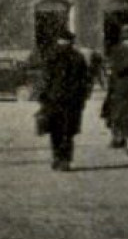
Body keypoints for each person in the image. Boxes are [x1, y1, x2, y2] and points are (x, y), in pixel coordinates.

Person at [35, 29, 93, 171]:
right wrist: (83, 97)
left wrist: (42, 96)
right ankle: (63, 159)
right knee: (66, 132)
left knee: (59, 131)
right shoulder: (76, 57)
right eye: (62, 41)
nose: (63, 43)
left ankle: (60, 158)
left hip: (57, 99)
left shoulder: (55, 56)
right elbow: (86, 80)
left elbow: (45, 79)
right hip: (67, 100)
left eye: (64, 41)